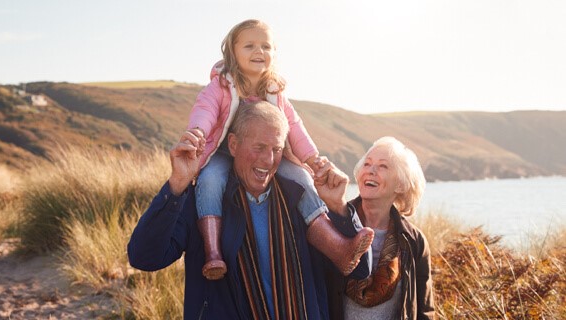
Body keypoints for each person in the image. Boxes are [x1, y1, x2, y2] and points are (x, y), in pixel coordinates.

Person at [127, 101, 372, 319]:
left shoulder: (302, 200)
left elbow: (359, 270)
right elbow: (145, 257)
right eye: (259, 147)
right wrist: (177, 185)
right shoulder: (203, 202)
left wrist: (338, 207)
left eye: (276, 149)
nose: (268, 160)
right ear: (233, 145)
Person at [184, 19, 373, 280]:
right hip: (223, 152)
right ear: (232, 50)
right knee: (210, 181)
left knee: (302, 178)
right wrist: (197, 133)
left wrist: (311, 158)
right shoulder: (222, 86)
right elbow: (205, 110)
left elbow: (294, 126)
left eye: (266, 46)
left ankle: (337, 247)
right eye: (249, 45)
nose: (259, 51)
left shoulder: (275, 92)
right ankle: (213, 252)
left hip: (270, 153)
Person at [320, 137, 435, 320]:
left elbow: (425, 310)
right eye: (367, 164)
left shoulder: (414, 241)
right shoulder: (332, 224)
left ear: (400, 184)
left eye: (383, 166)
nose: (371, 171)